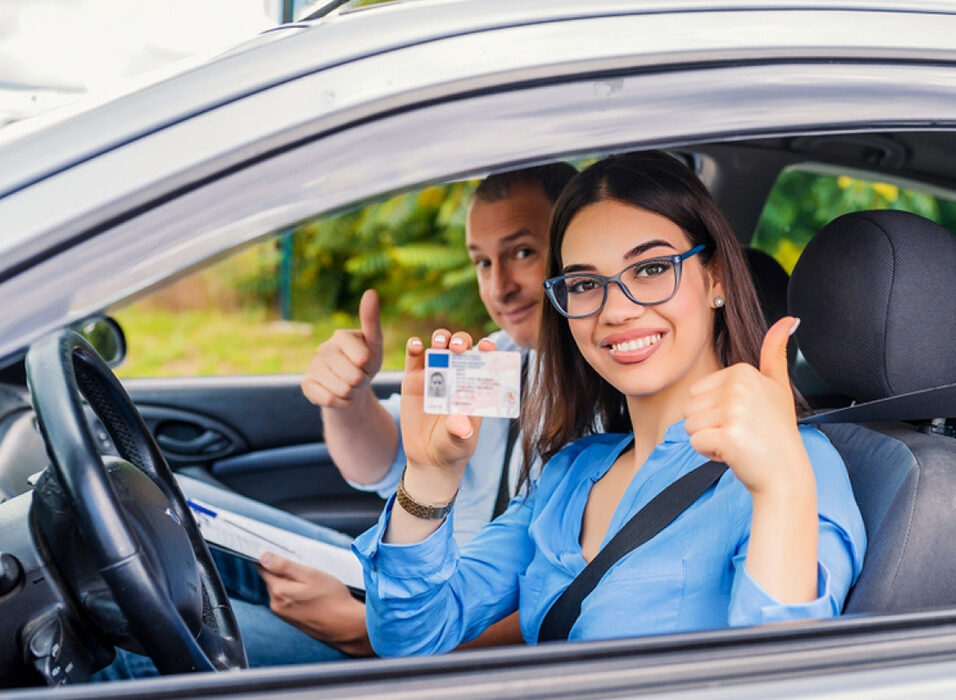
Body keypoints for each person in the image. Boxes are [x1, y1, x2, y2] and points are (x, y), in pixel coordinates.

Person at [352, 151, 867, 655]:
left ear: (715, 279)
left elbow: (784, 682)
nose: (616, 310)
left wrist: (781, 485)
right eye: (584, 283)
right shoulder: (572, 472)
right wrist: (429, 478)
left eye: (650, 269)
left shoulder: (796, 464)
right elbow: (411, 637)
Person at [93, 163, 577, 679]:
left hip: (446, 641)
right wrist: (347, 398)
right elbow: (385, 460)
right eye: (482, 263)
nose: (499, 287)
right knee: (174, 502)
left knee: (121, 653)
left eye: (522, 252)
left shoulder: (614, 414)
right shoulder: (498, 359)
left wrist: (367, 633)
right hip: (415, 584)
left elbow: (562, 606)